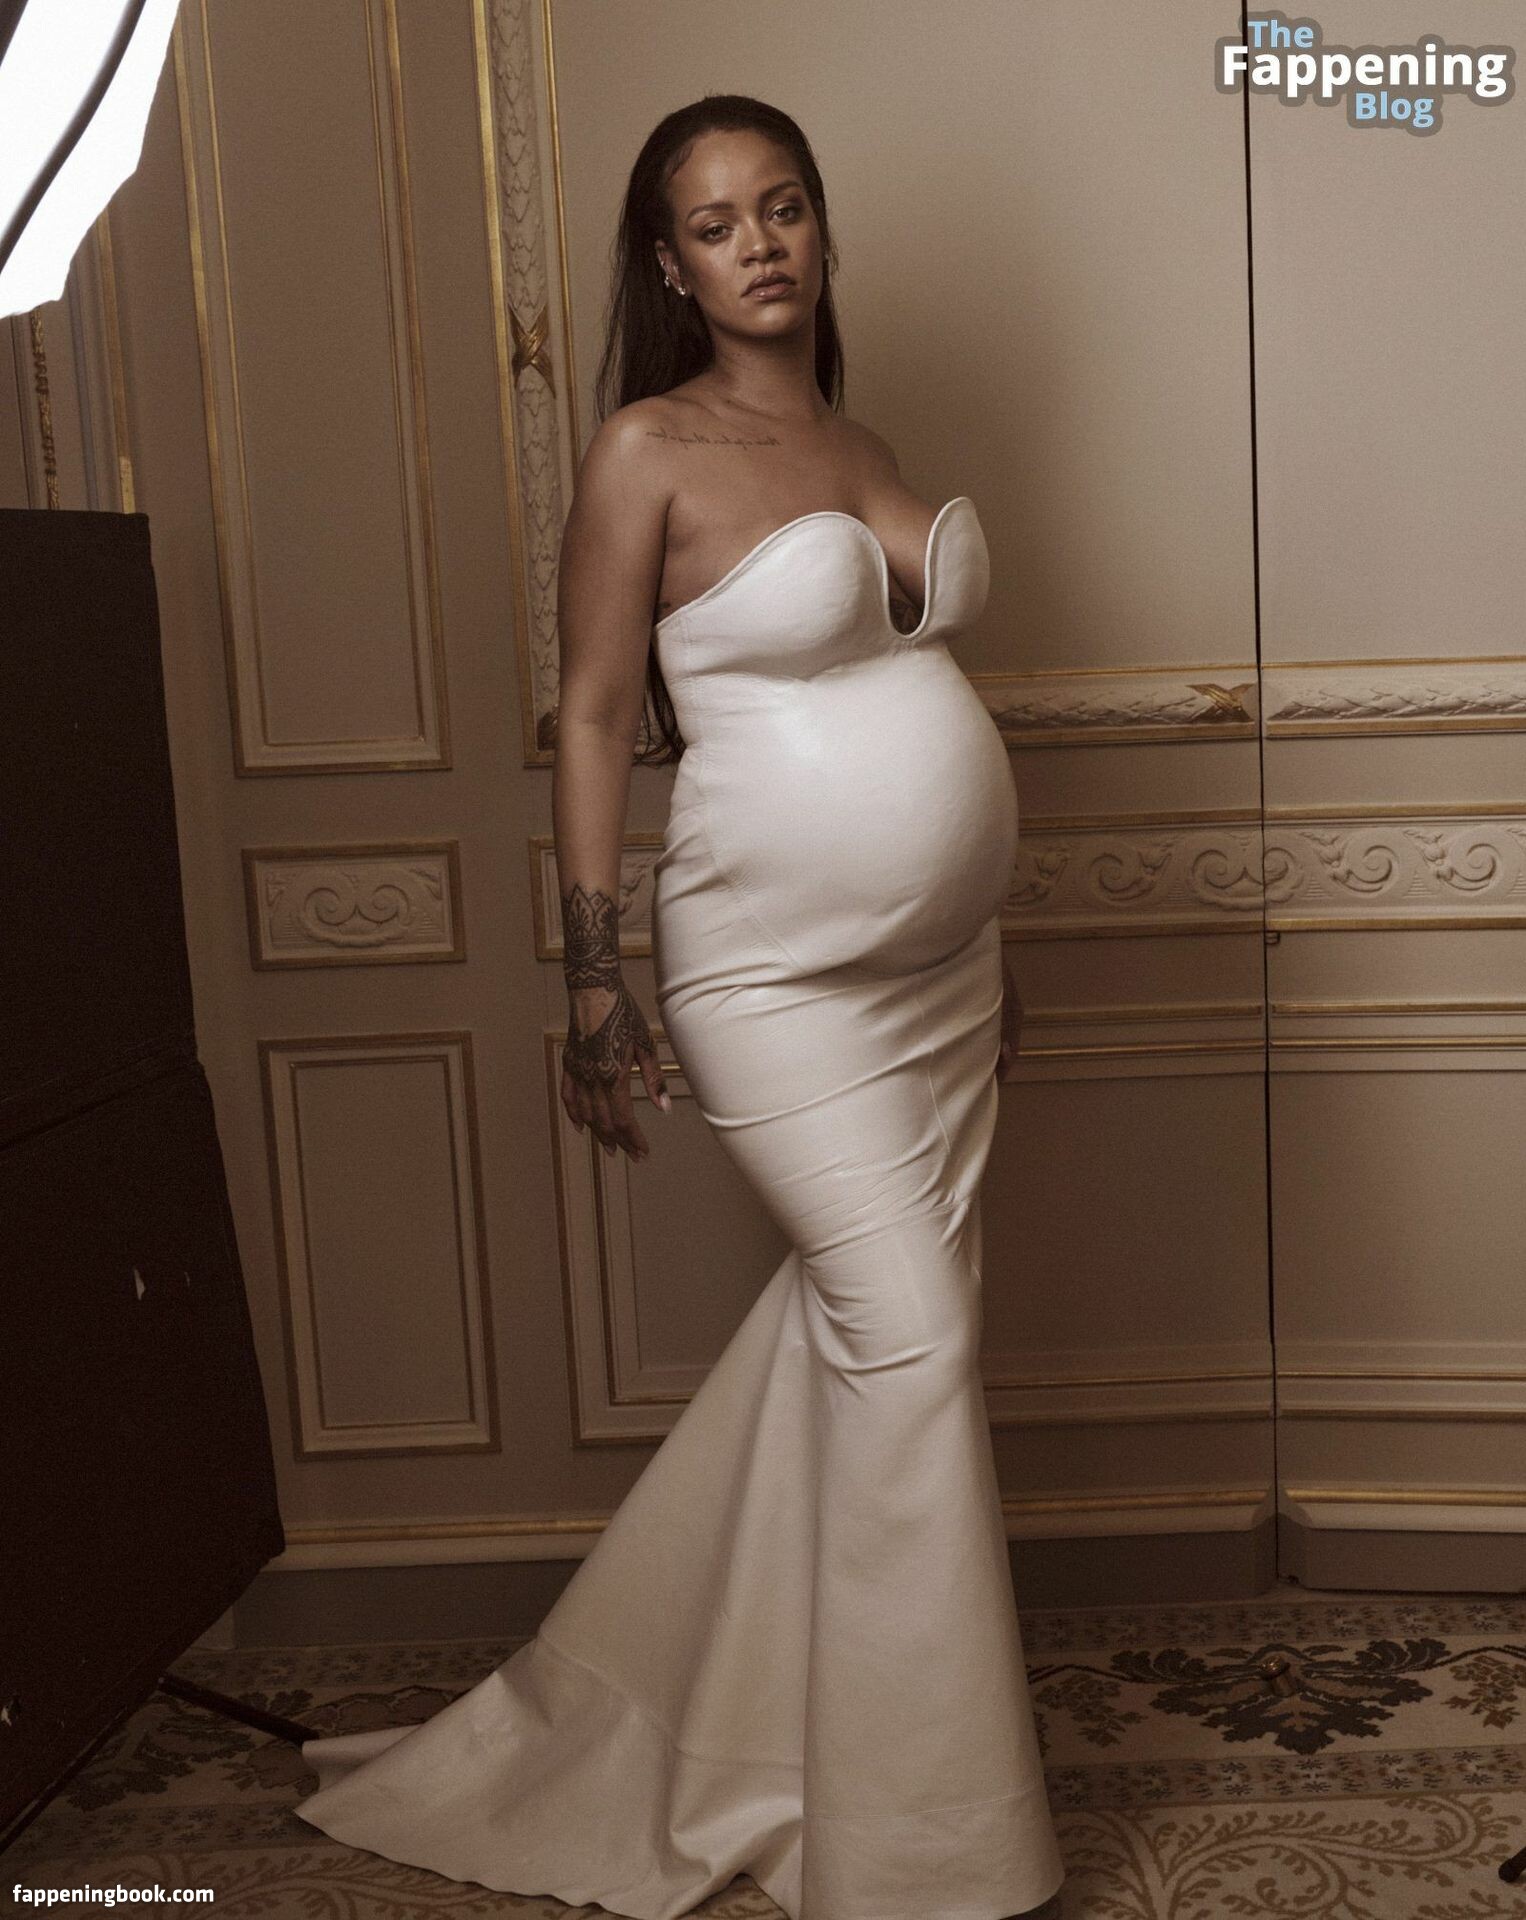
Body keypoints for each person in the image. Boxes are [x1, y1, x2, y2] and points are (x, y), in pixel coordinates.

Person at [294, 93, 1065, 1920]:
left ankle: (723, 1723)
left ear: (818, 227)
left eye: (780, 207)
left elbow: (899, 707)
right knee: (908, 1344)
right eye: (716, 225)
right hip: (769, 976)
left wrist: (979, 929)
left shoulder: (861, 441)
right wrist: (591, 972)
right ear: (671, 265)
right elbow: (586, 714)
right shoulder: (645, 449)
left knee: (854, 1351)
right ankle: (922, 1856)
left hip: (943, 984)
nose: (757, 245)